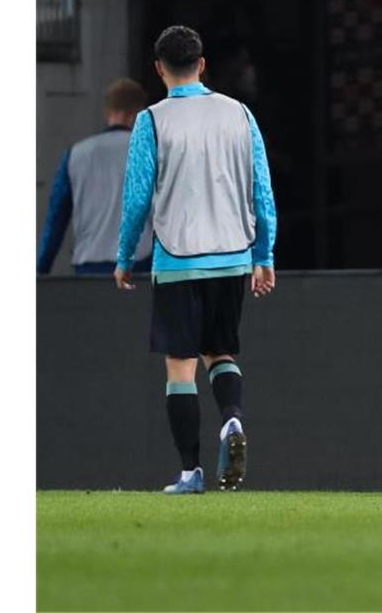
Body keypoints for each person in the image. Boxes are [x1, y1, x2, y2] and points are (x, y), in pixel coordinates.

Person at [115, 25, 277, 495]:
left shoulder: (152, 120)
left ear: (159, 69)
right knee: (220, 352)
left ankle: (190, 471)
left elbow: (137, 198)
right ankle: (231, 420)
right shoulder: (240, 114)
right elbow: (262, 192)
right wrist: (263, 254)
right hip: (232, 256)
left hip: (178, 257)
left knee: (180, 364)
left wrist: (125, 255)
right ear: (202, 64)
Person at [37, 78, 153, 274]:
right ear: (136, 114)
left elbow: (56, 220)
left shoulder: (76, 155)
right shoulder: (149, 152)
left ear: (107, 112)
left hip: (89, 265)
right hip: (138, 264)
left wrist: (41, 269)